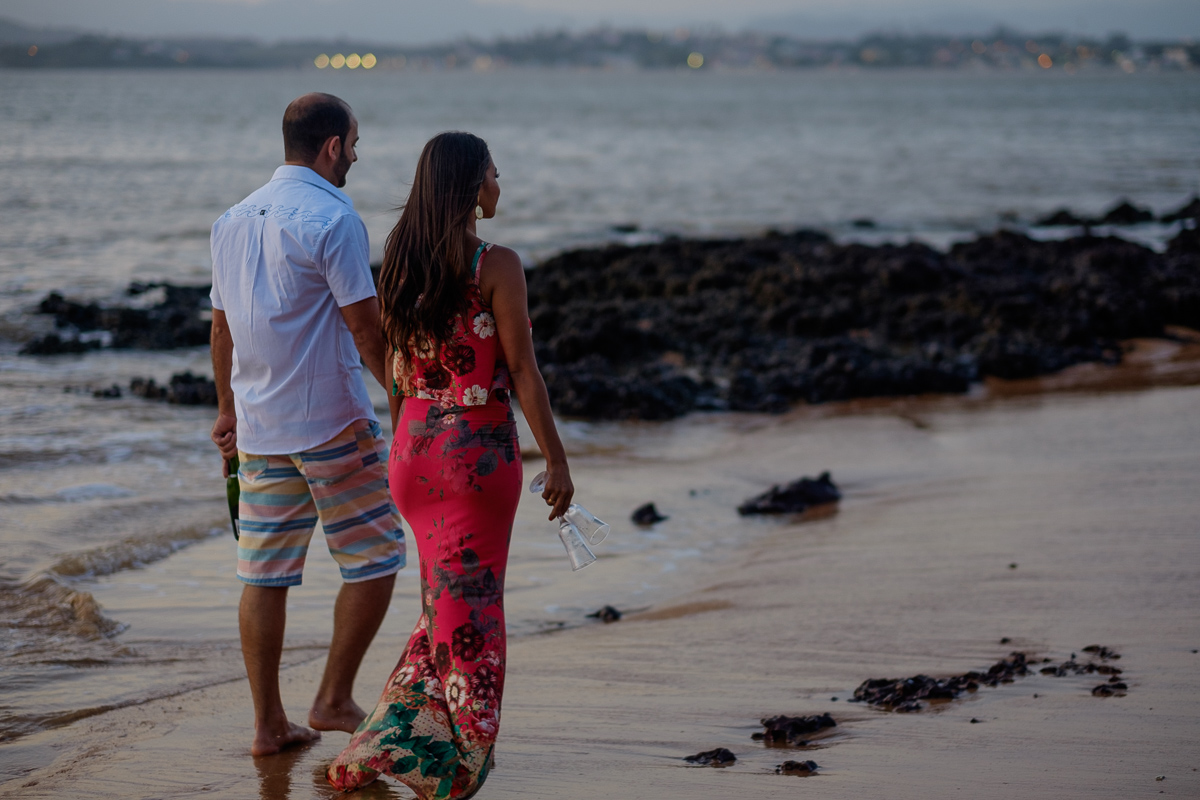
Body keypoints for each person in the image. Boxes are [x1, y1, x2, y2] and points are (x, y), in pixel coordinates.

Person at [326, 132, 573, 797]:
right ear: (470, 186)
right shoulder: (497, 263)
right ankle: (460, 765)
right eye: (494, 174)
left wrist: (412, 428)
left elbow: (395, 360)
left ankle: (376, 748)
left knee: (446, 603)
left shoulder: (400, 258)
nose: (500, 186)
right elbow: (522, 370)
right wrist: (556, 459)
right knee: (474, 608)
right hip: (475, 458)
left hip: (413, 448)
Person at [209, 92, 406, 757]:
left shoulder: (230, 219)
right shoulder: (333, 218)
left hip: (261, 431)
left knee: (262, 575)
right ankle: (332, 697)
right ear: (331, 147)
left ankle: (268, 725)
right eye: (353, 144)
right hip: (333, 428)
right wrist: (407, 414)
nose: (356, 154)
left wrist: (227, 411)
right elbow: (366, 330)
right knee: (378, 558)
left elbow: (221, 327)